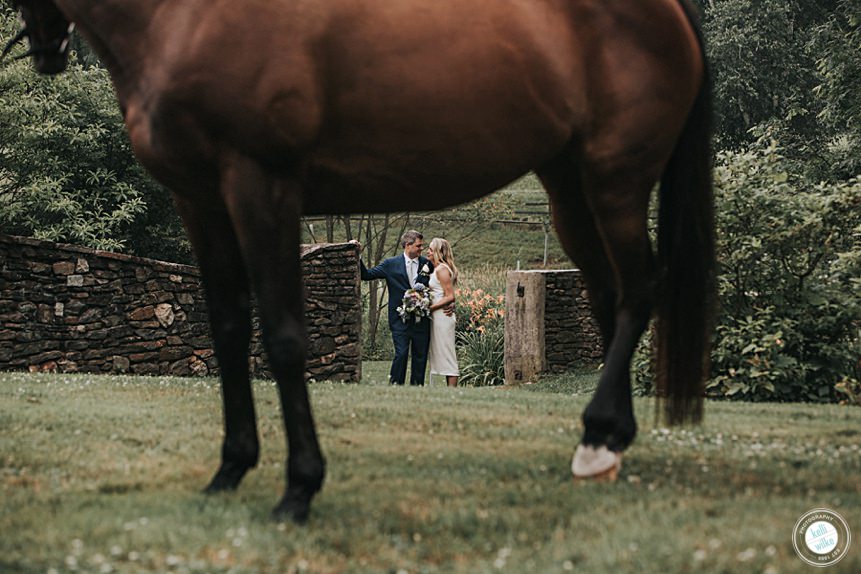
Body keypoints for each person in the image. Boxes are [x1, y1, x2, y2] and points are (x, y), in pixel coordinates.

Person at [357, 231, 433, 385]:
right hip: (399, 318)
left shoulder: (427, 264)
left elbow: (440, 285)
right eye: (419, 245)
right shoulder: (390, 264)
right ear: (408, 245)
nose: (421, 249)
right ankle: (395, 385)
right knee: (401, 352)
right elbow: (366, 275)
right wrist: (357, 255)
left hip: (422, 319)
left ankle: (417, 386)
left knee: (420, 355)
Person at [426, 238, 460, 386]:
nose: (427, 251)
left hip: (442, 317)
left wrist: (429, 308)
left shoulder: (442, 269)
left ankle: (452, 390)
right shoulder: (437, 268)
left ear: (438, 252)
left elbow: (450, 296)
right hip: (438, 317)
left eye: (430, 249)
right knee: (439, 352)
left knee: (447, 353)